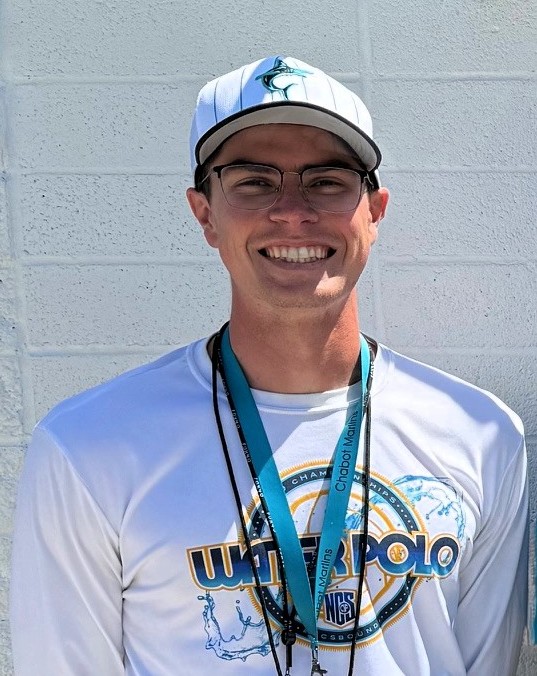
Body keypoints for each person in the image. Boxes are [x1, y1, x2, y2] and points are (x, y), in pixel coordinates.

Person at [10, 56, 528, 676]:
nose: (292, 210)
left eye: (327, 180)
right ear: (205, 213)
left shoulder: (481, 435)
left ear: (375, 210)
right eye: (254, 182)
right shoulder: (89, 446)